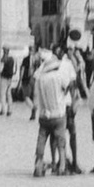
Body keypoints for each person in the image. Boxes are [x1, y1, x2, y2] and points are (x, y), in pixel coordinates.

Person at [32, 42, 74, 179]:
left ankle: (38, 162)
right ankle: (61, 166)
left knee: (42, 139)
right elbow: (67, 86)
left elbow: (36, 94)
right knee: (61, 141)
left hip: (44, 115)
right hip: (58, 113)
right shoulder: (57, 76)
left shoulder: (41, 78)